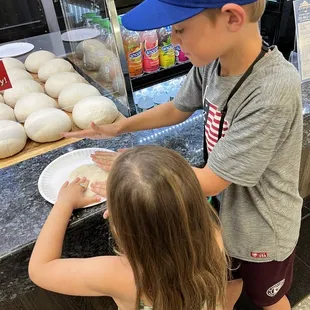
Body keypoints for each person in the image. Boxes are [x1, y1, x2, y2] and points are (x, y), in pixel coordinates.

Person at [63, 0, 303, 309]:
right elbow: (177, 108)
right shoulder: (213, 62)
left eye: (179, 29)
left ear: (231, 18)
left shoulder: (272, 90)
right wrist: (120, 128)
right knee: (225, 283)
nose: (173, 40)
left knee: (267, 297)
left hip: (260, 230)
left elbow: (212, 181)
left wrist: (133, 170)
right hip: (223, 217)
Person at [28, 146, 227, 310]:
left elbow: (40, 269)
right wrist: (136, 204)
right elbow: (180, 209)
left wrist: (64, 203)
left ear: (118, 226)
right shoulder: (214, 235)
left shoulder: (120, 274)